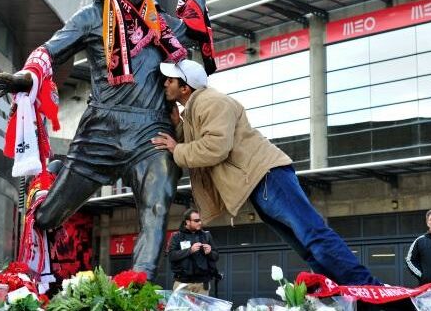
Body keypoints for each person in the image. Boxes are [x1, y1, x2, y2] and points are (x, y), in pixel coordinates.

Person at [0, 0, 215, 280]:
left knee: (158, 202)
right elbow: (51, 50)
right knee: (49, 217)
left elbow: (196, 31)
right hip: (101, 131)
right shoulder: (91, 17)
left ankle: (139, 282)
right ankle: (49, 194)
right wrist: (25, 77)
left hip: (151, 134)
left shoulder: (164, 25)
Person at [152, 60, 381, 286]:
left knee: (313, 234)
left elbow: (215, 147)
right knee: (307, 247)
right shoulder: (195, 109)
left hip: (268, 176)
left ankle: (369, 289)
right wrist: (178, 127)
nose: (164, 84)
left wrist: (176, 148)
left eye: (170, 80)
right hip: (260, 182)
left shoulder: (211, 101)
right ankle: (348, 292)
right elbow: (200, 140)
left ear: (185, 87)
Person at [168, 208, 219, 295]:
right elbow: (172, 256)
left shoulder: (206, 235)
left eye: (200, 220)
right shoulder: (177, 236)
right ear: (187, 222)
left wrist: (210, 252)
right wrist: (190, 250)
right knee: (181, 309)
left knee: (201, 309)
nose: (200, 223)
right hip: (182, 284)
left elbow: (216, 256)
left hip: (202, 284)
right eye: (196, 220)